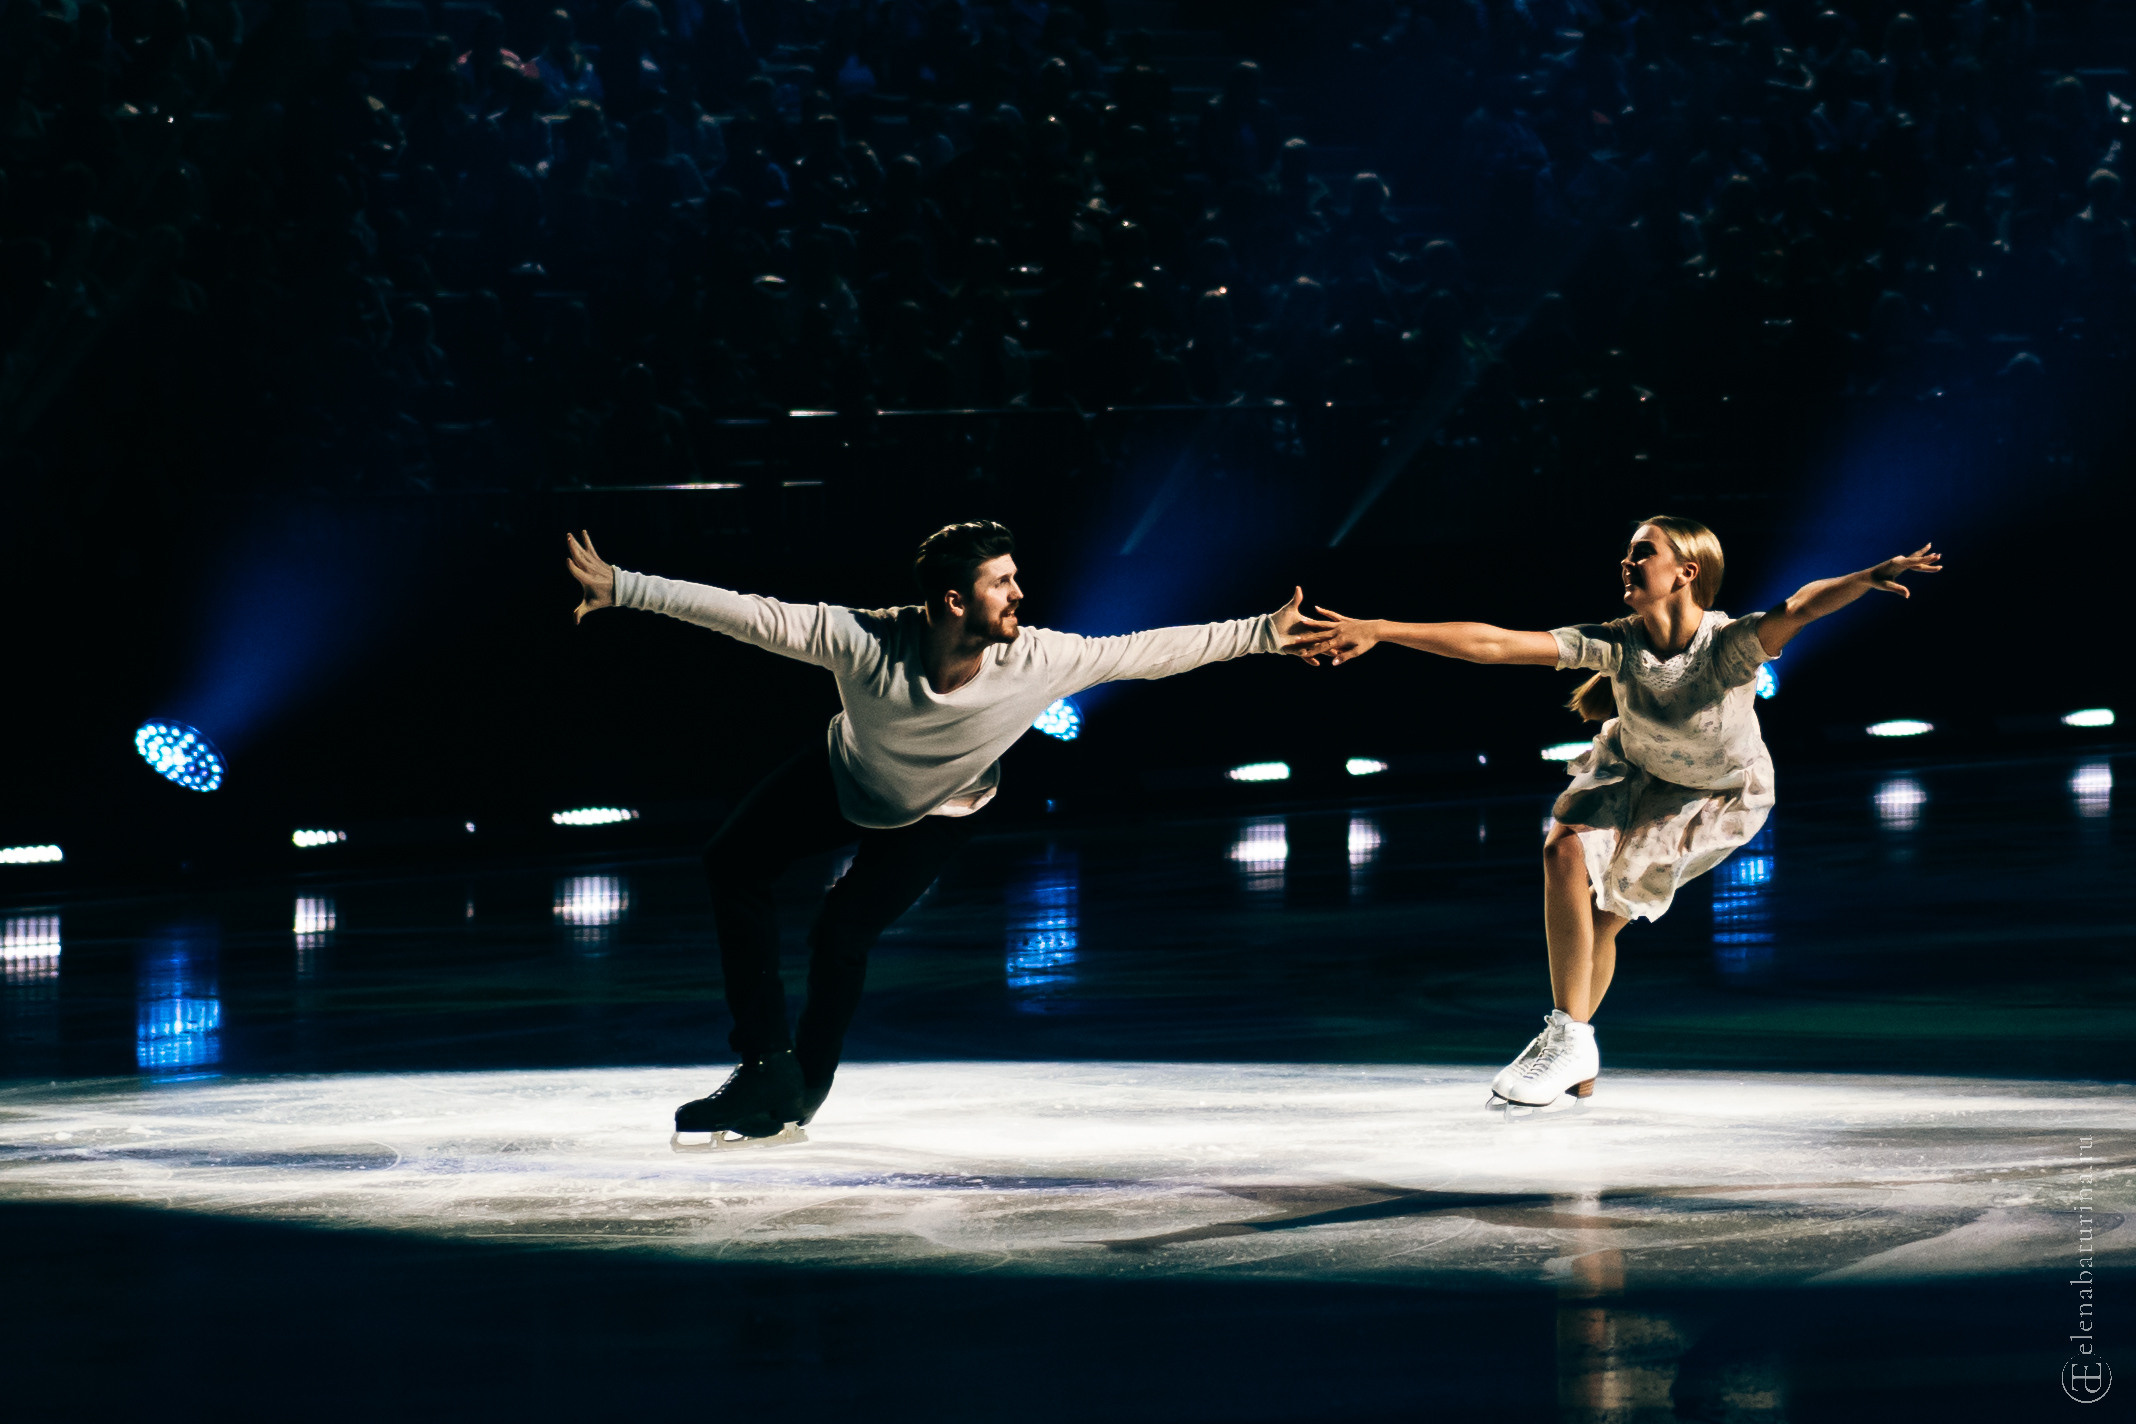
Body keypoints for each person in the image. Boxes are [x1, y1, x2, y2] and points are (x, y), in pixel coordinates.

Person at [563, 521, 1334, 1144]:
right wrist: (625, 587)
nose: (1019, 593)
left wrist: (1265, 632)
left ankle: (806, 1084)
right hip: (843, 778)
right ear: (953, 600)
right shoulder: (863, 641)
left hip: (944, 809)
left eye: (1014, 576)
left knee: (841, 929)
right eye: (1002, 581)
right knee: (731, 860)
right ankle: (766, 1064)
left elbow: (1148, 652)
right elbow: (750, 614)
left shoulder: (1039, 658)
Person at [1306, 516, 1941, 1114]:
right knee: (1562, 851)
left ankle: (1574, 1049)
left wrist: (1862, 578)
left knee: (1606, 923)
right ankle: (1566, 1037)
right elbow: (1495, 645)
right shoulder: (1616, 642)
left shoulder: (1728, 645)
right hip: (1631, 770)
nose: (1627, 560)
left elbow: (1801, 606)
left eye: (1644, 551)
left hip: (1709, 796)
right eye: (1629, 551)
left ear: (1686, 572)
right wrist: (1383, 628)